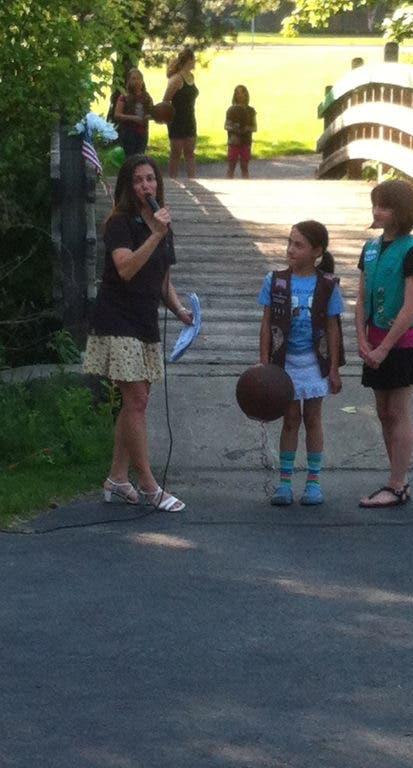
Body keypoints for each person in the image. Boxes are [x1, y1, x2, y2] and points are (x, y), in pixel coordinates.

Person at [83, 154, 193, 512]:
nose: (147, 186)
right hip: (117, 319)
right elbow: (126, 268)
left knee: (136, 400)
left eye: (151, 179)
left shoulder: (162, 223)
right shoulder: (120, 222)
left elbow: (163, 278)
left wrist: (178, 309)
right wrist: (155, 235)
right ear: (128, 187)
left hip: (145, 321)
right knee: (137, 401)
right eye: (138, 180)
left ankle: (117, 478)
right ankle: (148, 485)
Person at [354, 179, 413, 509]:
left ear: (401, 211)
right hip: (372, 341)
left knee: (398, 411)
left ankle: (398, 484)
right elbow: (360, 296)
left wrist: (384, 347)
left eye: (384, 205)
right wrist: (360, 338)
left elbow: (410, 307)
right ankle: (394, 478)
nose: (377, 210)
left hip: (402, 344)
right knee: (383, 412)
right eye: (375, 204)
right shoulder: (370, 248)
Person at [258, 220, 345, 506]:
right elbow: (267, 323)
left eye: (298, 245)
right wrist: (264, 365)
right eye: (289, 242)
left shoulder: (327, 285)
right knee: (290, 419)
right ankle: (284, 483)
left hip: (314, 363)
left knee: (313, 419)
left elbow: (333, 327)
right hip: (285, 363)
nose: (290, 249)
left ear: (316, 251)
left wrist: (333, 368)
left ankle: (313, 482)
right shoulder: (276, 281)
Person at [163, 45, 199, 178]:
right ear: (188, 60)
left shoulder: (191, 77)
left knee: (190, 152)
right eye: (193, 59)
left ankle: (193, 180)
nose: (195, 62)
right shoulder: (177, 79)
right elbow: (166, 100)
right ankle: (172, 180)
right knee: (176, 153)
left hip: (190, 118)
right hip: (177, 119)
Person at [114, 68, 154, 157]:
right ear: (129, 81)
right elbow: (117, 115)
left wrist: (148, 117)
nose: (136, 81)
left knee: (140, 157)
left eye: (138, 78)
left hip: (143, 132)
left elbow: (152, 113)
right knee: (130, 158)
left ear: (142, 80)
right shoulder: (124, 97)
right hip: (128, 132)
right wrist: (133, 118)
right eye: (133, 79)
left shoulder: (147, 97)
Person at [224, 84, 257, 179]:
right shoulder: (231, 110)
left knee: (244, 165)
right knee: (231, 165)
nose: (239, 95)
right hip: (234, 141)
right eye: (237, 93)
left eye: (242, 93)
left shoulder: (251, 111)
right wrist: (233, 128)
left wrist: (247, 128)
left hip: (246, 141)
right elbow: (226, 125)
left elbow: (254, 127)